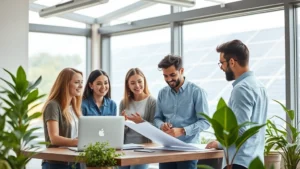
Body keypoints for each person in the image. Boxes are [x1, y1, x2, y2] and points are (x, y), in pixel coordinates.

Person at [205, 40, 269, 169]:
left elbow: (240, 130)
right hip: (254, 160)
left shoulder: (242, 89)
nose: (221, 67)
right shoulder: (259, 86)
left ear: (232, 62)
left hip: (239, 162)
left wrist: (219, 144)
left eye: (222, 63)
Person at [154, 55, 210, 169]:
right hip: (167, 149)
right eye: (165, 76)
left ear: (181, 71)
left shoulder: (197, 92)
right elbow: (157, 118)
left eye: (172, 75)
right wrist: (162, 125)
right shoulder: (162, 93)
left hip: (188, 150)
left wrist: (183, 130)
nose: (169, 79)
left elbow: (205, 122)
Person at [42, 68, 83, 169]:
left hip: (74, 160)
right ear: (65, 84)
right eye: (77, 82)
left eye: (82, 82)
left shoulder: (74, 106)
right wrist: (77, 142)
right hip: (57, 163)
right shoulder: (53, 105)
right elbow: (54, 138)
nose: (81, 86)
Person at [119, 68, 156, 169]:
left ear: (144, 81)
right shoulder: (124, 102)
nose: (137, 85)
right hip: (125, 148)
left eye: (139, 81)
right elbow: (119, 130)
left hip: (143, 149)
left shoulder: (152, 102)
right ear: (128, 85)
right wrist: (122, 122)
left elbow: (156, 129)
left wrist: (141, 122)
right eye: (132, 83)